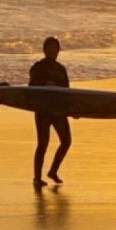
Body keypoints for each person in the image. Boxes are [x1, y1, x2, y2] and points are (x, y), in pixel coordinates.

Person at [30, 36, 72, 188]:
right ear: (44, 50)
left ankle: (53, 171)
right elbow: (31, 87)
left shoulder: (61, 69)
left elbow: (68, 92)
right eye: (50, 48)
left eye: (55, 48)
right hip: (43, 110)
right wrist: (44, 84)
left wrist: (74, 109)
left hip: (59, 111)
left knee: (66, 141)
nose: (53, 51)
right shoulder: (38, 67)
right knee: (43, 144)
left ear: (59, 51)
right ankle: (37, 178)